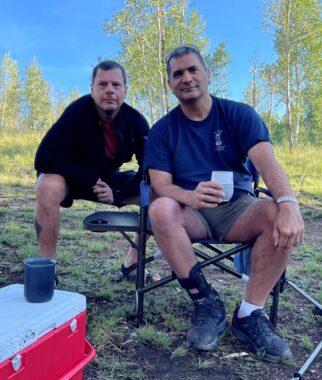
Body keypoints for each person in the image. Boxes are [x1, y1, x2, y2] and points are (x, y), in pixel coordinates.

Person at [144, 45, 304, 362]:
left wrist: (288, 203)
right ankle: (206, 303)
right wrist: (190, 196)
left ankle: (249, 314)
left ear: (207, 74)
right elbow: (160, 186)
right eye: (178, 73)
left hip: (239, 207)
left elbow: (268, 163)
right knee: (159, 208)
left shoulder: (238, 114)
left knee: (276, 214)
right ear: (170, 83)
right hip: (191, 212)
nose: (186, 78)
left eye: (193, 70)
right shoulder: (163, 130)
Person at [34, 60, 159, 283]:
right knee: (46, 185)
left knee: (156, 193)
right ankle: (46, 269)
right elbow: (44, 158)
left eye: (116, 85)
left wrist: (118, 193)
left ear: (125, 90)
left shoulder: (137, 122)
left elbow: (148, 169)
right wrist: (90, 178)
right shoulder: (76, 113)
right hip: (71, 178)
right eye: (102, 84)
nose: (109, 90)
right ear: (92, 90)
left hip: (109, 180)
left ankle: (132, 263)